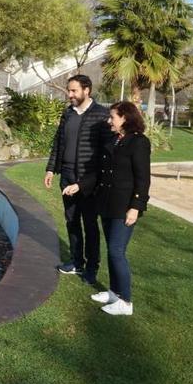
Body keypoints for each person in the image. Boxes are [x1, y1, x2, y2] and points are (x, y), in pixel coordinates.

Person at [44, 74, 113, 285]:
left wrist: (85, 182)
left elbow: (105, 155)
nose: (70, 94)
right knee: (72, 221)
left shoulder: (101, 115)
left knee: (90, 224)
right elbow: (58, 142)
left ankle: (92, 267)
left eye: (74, 91)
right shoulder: (68, 113)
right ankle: (76, 261)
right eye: (69, 90)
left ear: (87, 90)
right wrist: (50, 169)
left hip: (89, 181)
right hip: (67, 175)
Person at [89, 101, 151, 316]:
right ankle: (114, 292)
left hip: (124, 206)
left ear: (125, 118)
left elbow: (143, 179)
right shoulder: (115, 140)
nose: (109, 121)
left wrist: (136, 207)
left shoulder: (139, 142)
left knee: (117, 251)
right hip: (107, 204)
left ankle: (125, 302)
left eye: (112, 117)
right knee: (112, 250)